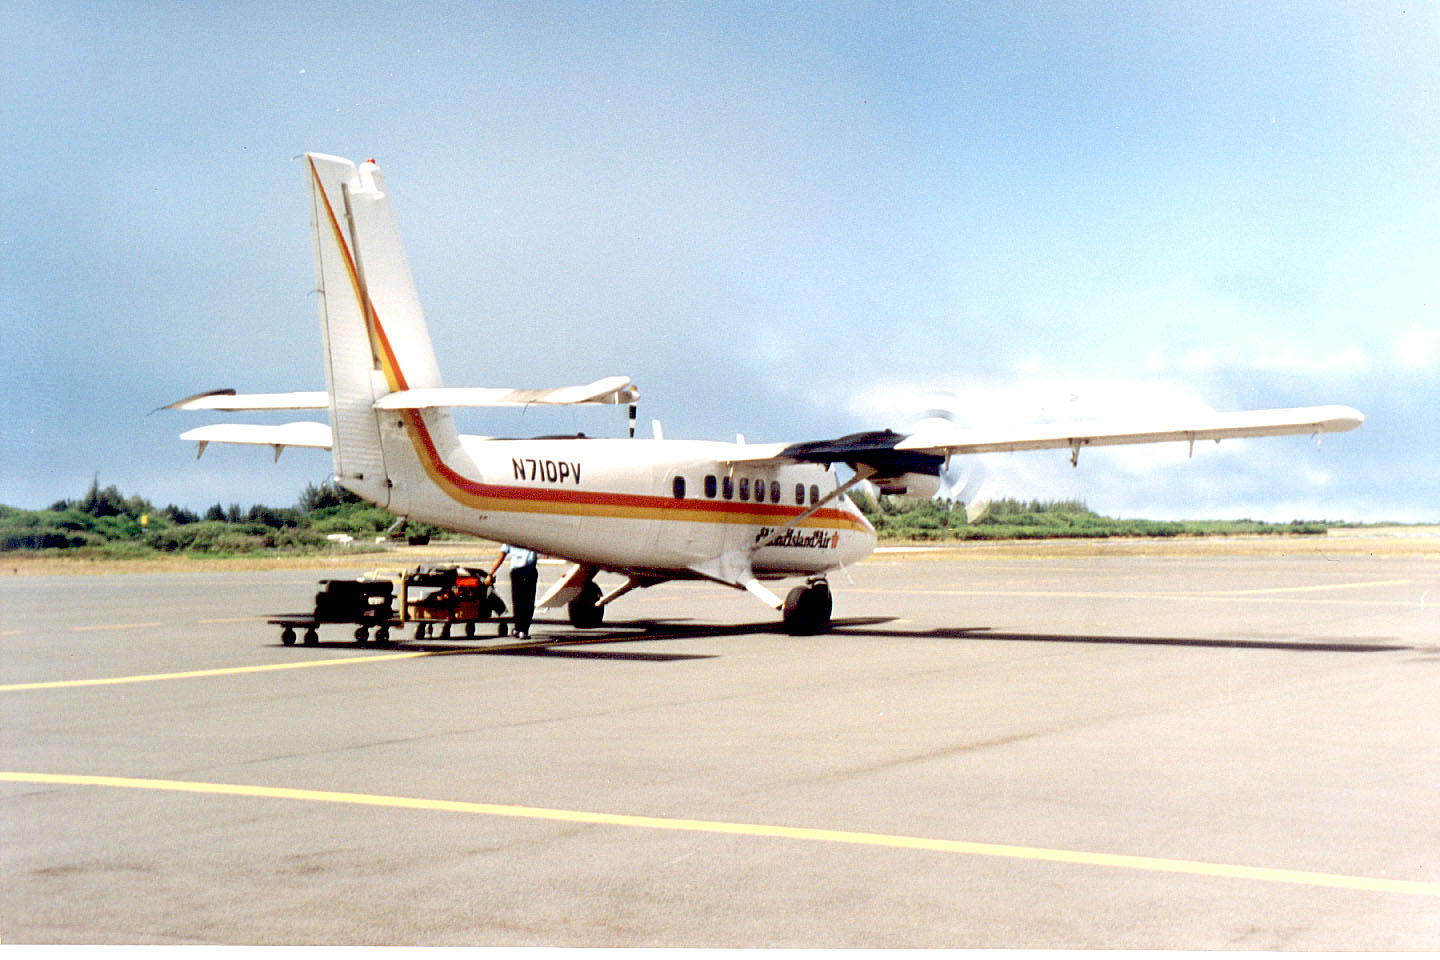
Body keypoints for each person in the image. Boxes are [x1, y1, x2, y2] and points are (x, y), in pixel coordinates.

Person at [487, 544, 538, 639]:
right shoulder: (531, 536)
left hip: (516, 572)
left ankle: (518, 628)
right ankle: (523, 630)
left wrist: (490, 573)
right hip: (529, 570)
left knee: (517, 601)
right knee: (528, 602)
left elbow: (500, 557)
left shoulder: (510, 540)